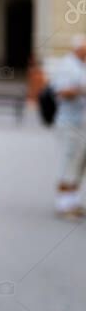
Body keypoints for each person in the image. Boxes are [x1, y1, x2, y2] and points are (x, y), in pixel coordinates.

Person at [52, 34, 86, 219]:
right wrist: (80, 90)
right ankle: (63, 203)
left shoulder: (82, 64)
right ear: (79, 48)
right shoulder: (67, 65)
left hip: (82, 123)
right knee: (68, 159)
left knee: (80, 162)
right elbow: (60, 91)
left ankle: (73, 200)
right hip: (69, 122)